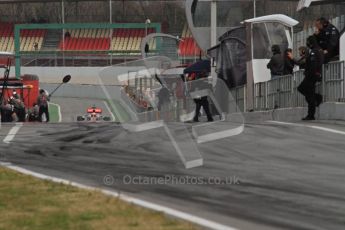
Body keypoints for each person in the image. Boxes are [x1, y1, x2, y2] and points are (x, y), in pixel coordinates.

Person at [297, 36, 324, 121]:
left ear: (310, 42)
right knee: (306, 92)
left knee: (305, 91)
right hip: (312, 75)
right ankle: (316, 99)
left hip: (311, 76)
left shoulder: (314, 52)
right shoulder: (316, 50)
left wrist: (310, 73)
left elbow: (313, 65)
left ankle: (311, 113)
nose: (307, 44)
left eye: (307, 42)